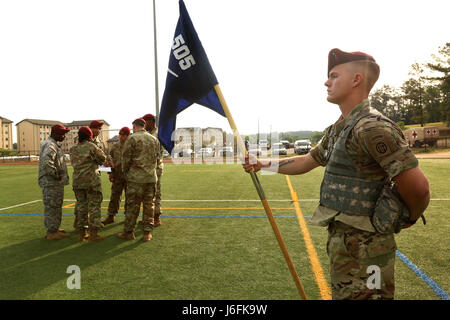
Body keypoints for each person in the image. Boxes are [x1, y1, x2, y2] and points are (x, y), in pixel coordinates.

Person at [243, 48, 430, 300]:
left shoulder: (372, 128)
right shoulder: (340, 128)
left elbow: (418, 187)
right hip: (346, 247)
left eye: (334, 75)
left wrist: (410, 218)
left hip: (368, 250)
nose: (326, 81)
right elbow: (308, 160)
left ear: (356, 80)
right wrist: (262, 164)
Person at [117, 118, 160, 242]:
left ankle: (129, 232)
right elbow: (157, 158)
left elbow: (125, 159)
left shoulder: (132, 138)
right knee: (149, 205)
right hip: (151, 178)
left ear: (134, 126)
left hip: (135, 179)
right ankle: (147, 233)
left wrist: (126, 173)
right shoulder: (154, 139)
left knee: (132, 206)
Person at [70, 126, 107, 242]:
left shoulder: (73, 149)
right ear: (89, 136)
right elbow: (102, 159)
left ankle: (82, 234)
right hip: (91, 181)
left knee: (81, 207)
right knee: (94, 207)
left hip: (78, 181)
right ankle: (93, 234)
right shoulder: (92, 146)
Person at [38, 124, 71, 240]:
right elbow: (47, 163)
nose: (64, 136)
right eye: (63, 134)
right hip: (51, 182)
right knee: (53, 206)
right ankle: (52, 232)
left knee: (55, 206)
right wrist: (57, 175)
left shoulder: (51, 143)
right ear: (56, 134)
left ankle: (54, 228)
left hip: (53, 183)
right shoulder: (51, 145)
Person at [101, 126, 130, 226]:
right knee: (114, 197)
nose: (121, 137)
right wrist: (111, 174)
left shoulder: (132, 146)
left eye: (124, 135)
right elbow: (109, 160)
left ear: (128, 135)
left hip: (129, 177)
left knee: (130, 198)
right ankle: (111, 216)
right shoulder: (115, 146)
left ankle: (128, 217)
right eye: (120, 135)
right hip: (117, 176)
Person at [143, 113, 164, 227]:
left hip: (155, 167)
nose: (144, 125)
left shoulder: (158, 134)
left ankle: (156, 217)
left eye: (145, 122)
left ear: (150, 121)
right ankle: (148, 217)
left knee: (156, 192)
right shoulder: (146, 133)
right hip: (146, 168)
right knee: (147, 194)